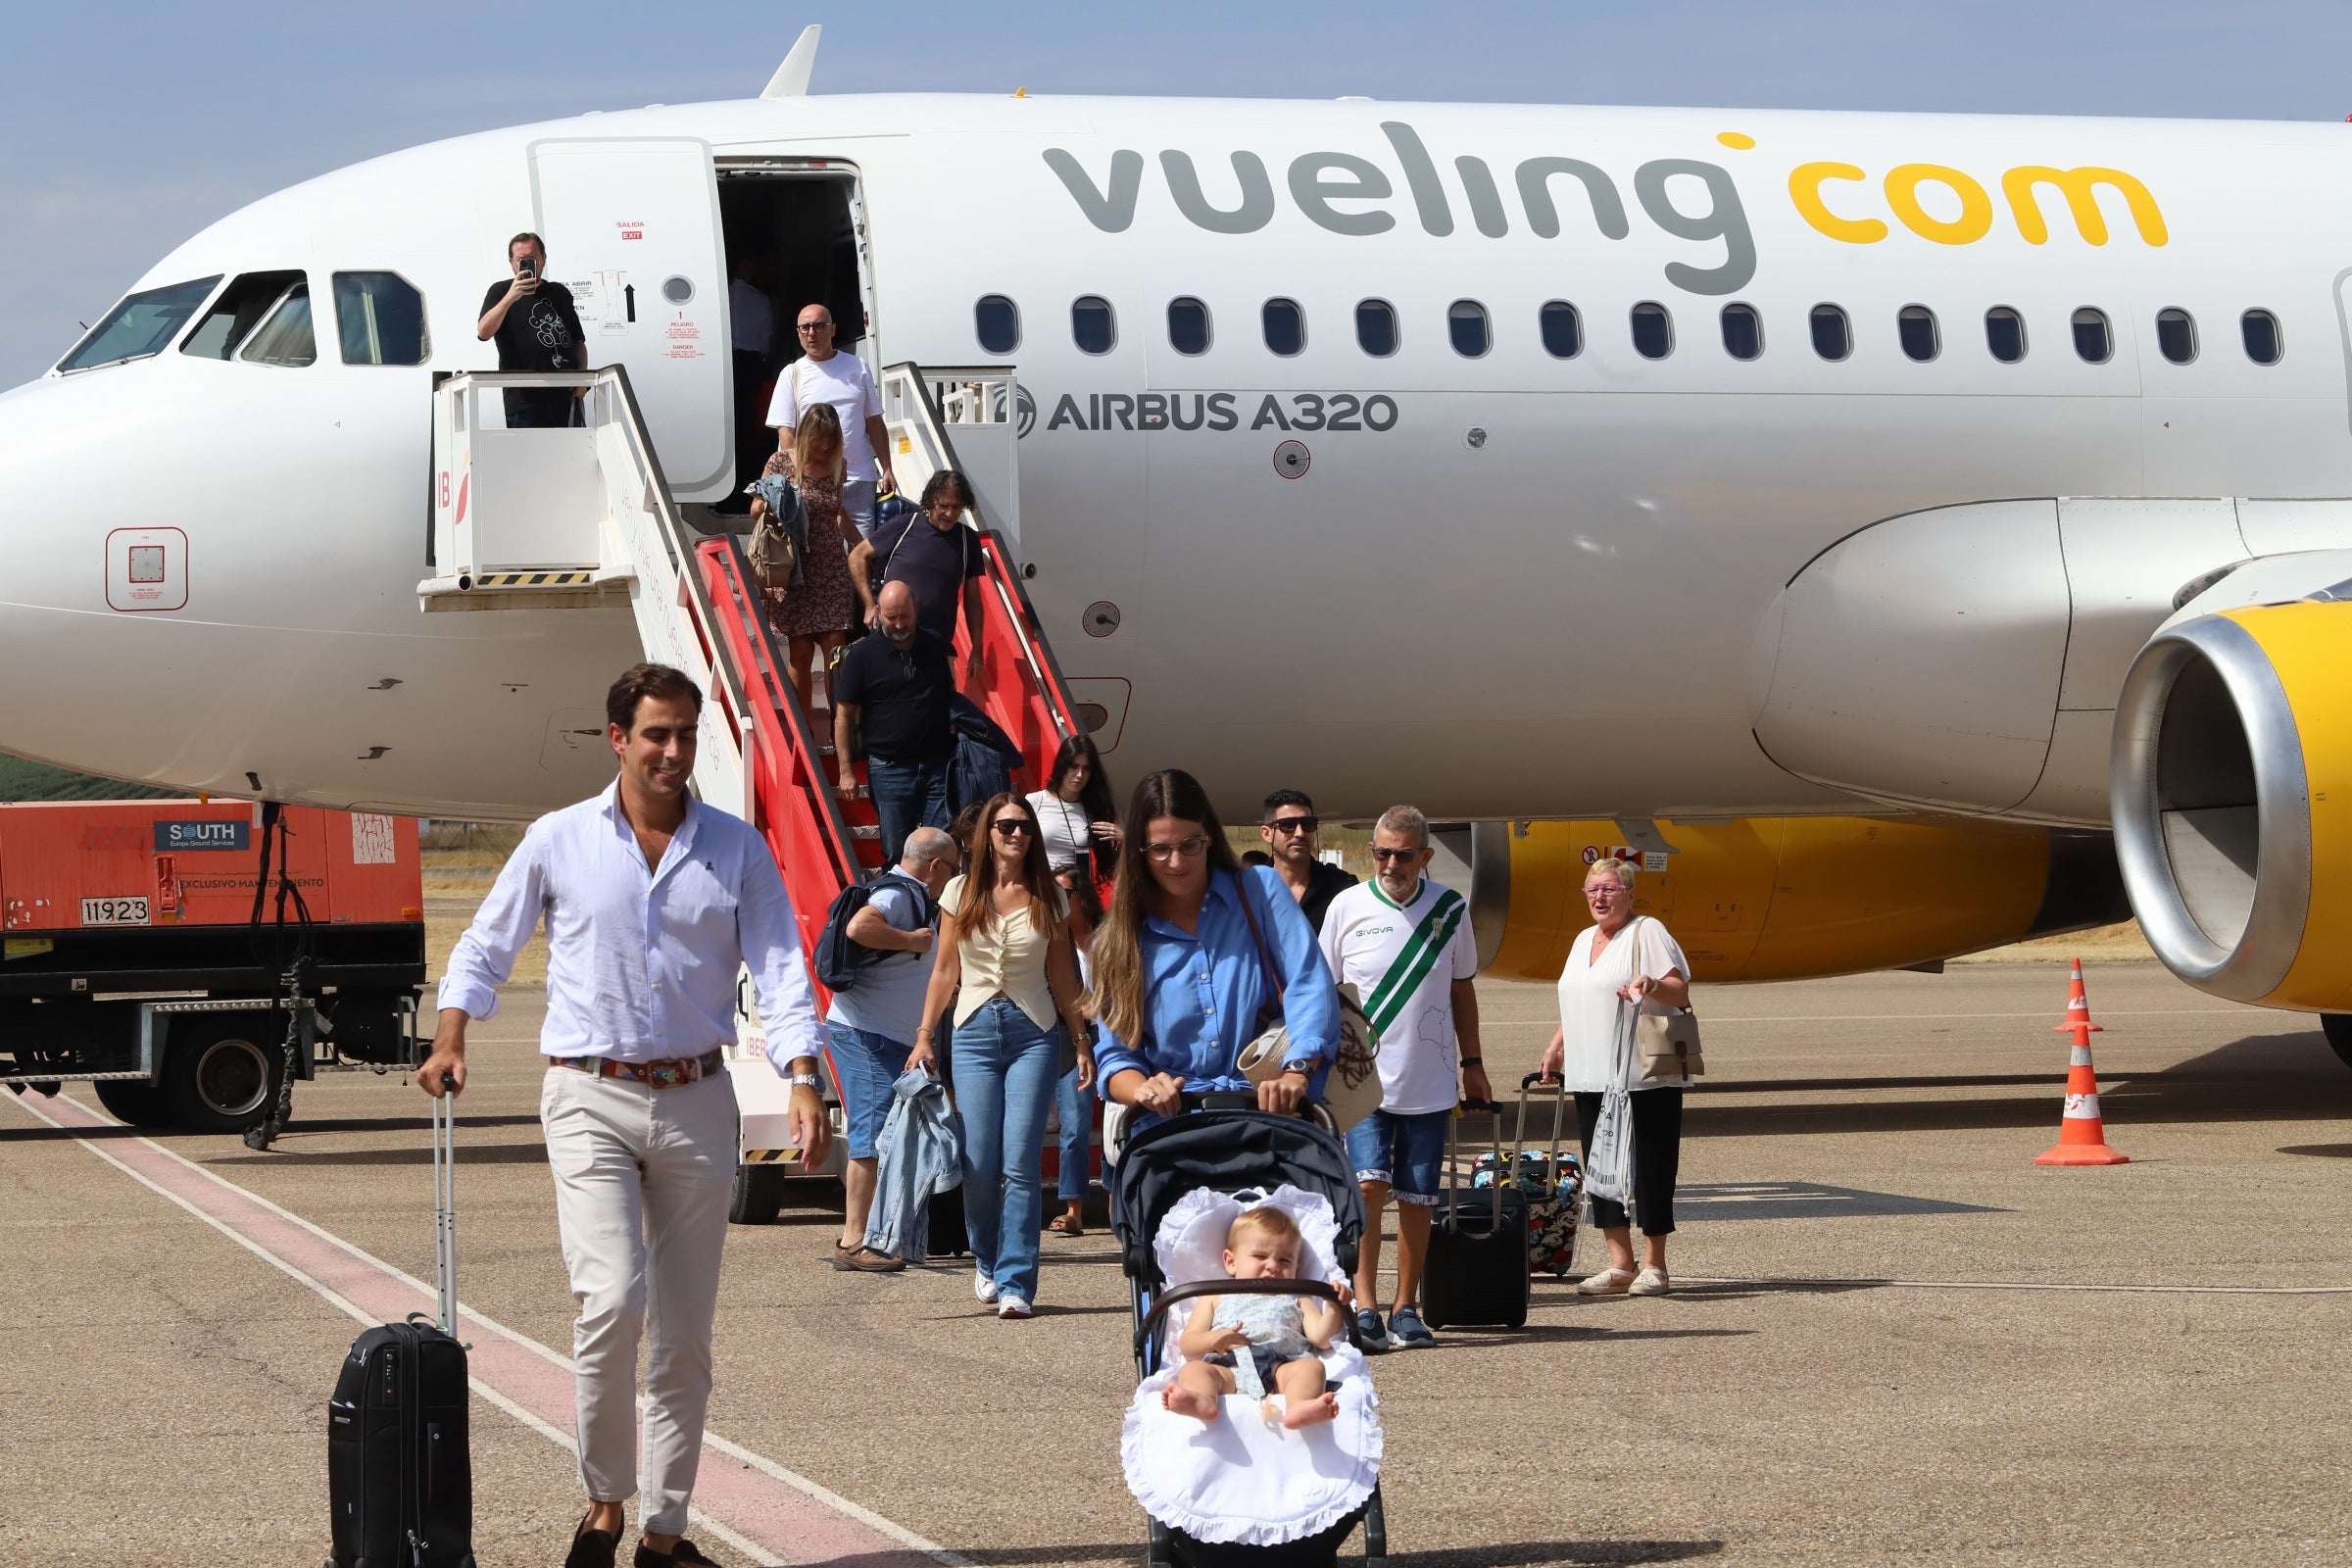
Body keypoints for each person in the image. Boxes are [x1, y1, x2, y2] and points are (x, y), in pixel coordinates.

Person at [419, 662, 827, 1568]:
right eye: (657, 734)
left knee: (683, 1331)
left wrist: (804, 1075)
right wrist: (450, 1039)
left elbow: (782, 965)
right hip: (588, 1093)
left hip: (695, 1097)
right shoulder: (558, 839)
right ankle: (605, 1499)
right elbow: (485, 944)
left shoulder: (735, 849)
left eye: (685, 734)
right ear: (618, 739)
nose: (674, 751)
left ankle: (666, 1533)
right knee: (610, 1299)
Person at [912, 793, 1092, 1317]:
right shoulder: (959, 891)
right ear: (986, 833)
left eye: (1024, 827)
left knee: (1021, 1163)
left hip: (1033, 1032)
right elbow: (945, 969)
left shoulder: (1050, 896)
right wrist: (925, 1034)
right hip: (971, 1032)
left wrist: (1081, 1040)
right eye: (1006, 826)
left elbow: (1063, 975)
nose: (1016, 834)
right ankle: (987, 1260)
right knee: (978, 1163)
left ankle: (1017, 1282)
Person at [1318, 805, 1487, 1352]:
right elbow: (1323, 992)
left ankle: (1406, 1305)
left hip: (1430, 1079)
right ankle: (1365, 1305)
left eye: (1404, 854)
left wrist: (1474, 1064)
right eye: (1382, 852)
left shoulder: (1450, 908)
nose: (1391, 862)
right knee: (1368, 1185)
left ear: (1426, 856)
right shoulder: (1347, 905)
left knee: (1419, 1197)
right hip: (1362, 1080)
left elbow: (1462, 989)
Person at [1089, 769, 1338, 1127]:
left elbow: (1309, 984)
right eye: (1160, 849)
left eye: (1189, 845)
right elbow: (1115, 1058)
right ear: (1138, 852)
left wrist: (1296, 1072)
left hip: (1265, 1114)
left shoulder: (1260, 891)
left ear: (1209, 837)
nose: (1176, 863)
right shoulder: (1116, 941)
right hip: (1171, 1127)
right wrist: (1147, 1090)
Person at [1538, 857, 1693, 1298]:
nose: (1600, 897)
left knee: (1650, 1163)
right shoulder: (1583, 939)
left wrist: (1651, 984)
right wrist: (1556, 1045)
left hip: (1642, 1072)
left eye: (1609, 889)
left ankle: (1655, 1264)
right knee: (1601, 1165)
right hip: (1591, 1072)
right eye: (1592, 890)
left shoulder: (1648, 932)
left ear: (1629, 894)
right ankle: (1620, 1263)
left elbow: (1680, 989)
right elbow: (1580, 997)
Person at [825, 825, 959, 1271]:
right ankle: (854, 1239)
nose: (953, 879)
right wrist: (912, 940)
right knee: (871, 1130)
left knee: (881, 1129)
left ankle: (875, 1234)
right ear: (936, 865)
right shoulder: (901, 893)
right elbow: (861, 925)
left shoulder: (906, 893)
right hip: (865, 1032)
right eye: (953, 869)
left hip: (882, 1033)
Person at [1161, 1205, 1344, 1430]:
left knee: (1312, 1369)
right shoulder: (1214, 1295)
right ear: (1231, 1262)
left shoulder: (1298, 1296)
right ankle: (1201, 1400)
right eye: (1260, 1256)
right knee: (1193, 1371)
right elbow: (1188, 1345)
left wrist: (1335, 1307)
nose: (1273, 1266)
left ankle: (1300, 1406)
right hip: (1227, 1367)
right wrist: (1213, 1340)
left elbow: (1321, 1338)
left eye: (1285, 1261)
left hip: (1282, 1367)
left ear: (1298, 1266)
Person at [759, 403, 875, 710]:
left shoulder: (840, 464)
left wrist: (864, 545)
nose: (824, 447)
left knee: (836, 654)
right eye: (818, 440)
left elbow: (836, 514)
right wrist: (779, 501)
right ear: (806, 435)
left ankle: (842, 731)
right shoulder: (781, 462)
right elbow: (755, 509)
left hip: (831, 568)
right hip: (795, 568)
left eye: (830, 440)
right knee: (799, 655)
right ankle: (805, 734)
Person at [834, 582, 955, 865]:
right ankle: (901, 907)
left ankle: (936, 910)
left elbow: (950, 694)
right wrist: (845, 770)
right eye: (891, 617)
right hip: (889, 770)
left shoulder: (935, 645)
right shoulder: (862, 656)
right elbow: (844, 716)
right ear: (877, 611)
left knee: (940, 849)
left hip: (937, 765)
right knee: (896, 852)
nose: (899, 624)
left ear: (916, 609)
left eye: (905, 616)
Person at [766, 304, 895, 541]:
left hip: (858, 479)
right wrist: (802, 475)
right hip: (814, 484)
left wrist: (887, 467)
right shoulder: (792, 373)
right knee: (820, 554)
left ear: (832, 329)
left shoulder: (858, 366)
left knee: (862, 552)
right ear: (798, 333)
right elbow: (786, 433)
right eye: (805, 327)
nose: (811, 333)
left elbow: (874, 422)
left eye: (818, 326)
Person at [869, 469, 986, 685]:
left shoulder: (967, 540)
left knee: (940, 716)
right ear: (931, 501)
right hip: (890, 646)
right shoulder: (904, 525)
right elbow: (857, 557)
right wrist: (869, 604)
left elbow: (973, 601)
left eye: (957, 507)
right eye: (944, 506)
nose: (950, 513)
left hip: (937, 652)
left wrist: (977, 648)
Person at [477, 231, 589, 428]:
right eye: (521, 260)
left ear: (543, 259)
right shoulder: (500, 291)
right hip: (524, 400)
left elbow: (578, 341)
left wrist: (582, 377)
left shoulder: (559, 292)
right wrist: (511, 297)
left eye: (533, 259)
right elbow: (483, 332)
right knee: (530, 457)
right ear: (511, 262)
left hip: (564, 394)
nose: (528, 265)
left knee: (569, 456)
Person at [1048, 865, 1103, 1238]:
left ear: (1081, 896)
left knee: (1117, 1125)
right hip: (1069, 1039)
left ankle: (1114, 1203)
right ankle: (1072, 1209)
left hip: (1112, 1036)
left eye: (1064, 892)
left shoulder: (1107, 939)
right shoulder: (1049, 941)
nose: (1058, 900)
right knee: (1074, 1125)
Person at [1027, 732, 1122, 884]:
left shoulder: (1093, 808)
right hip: (1041, 890)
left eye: (1086, 769)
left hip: (1077, 894)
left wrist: (1126, 838)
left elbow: (1110, 865)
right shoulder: (1035, 801)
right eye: (1074, 766)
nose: (1079, 775)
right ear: (1062, 766)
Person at [1260, 789, 1358, 935]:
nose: (1300, 833)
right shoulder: (1247, 890)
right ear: (1267, 833)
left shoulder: (1343, 888)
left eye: (1308, 824)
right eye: (1288, 824)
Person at [727, 251, 778, 500]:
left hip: (728, 362)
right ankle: (745, 481)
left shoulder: (722, 297)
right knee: (749, 424)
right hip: (751, 364)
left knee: (729, 422)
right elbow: (766, 339)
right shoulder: (760, 300)